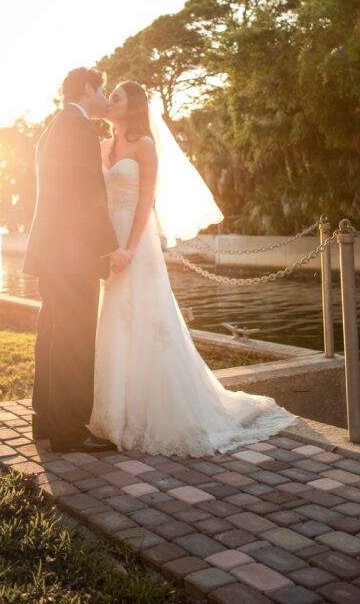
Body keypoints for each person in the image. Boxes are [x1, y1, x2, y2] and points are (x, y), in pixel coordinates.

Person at [88, 80, 295, 456]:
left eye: (116, 96)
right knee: (115, 321)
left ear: (131, 105)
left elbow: (147, 200)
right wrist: (105, 247)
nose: (109, 101)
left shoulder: (145, 146)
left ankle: (160, 413)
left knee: (149, 320)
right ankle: (115, 413)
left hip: (135, 244)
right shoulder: (101, 147)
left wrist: (129, 249)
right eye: (109, 96)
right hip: (108, 245)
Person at [23, 67, 131, 453]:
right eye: (102, 90)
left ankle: (47, 420)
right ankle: (70, 431)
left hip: (50, 252)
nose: (104, 99)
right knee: (75, 341)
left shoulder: (54, 126)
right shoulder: (80, 128)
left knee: (51, 334)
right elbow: (87, 194)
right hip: (73, 255)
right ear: (88, 90)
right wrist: (110, 246)